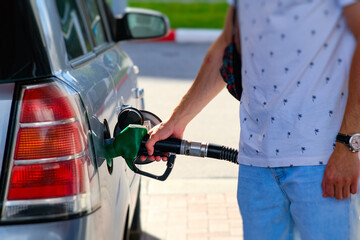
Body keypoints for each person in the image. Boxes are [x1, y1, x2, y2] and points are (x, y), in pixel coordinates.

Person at [143, 0, 360, 239]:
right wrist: (175, 122)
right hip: (256, 164)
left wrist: (349, 143)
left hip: (322, 161)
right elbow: (227, 47)